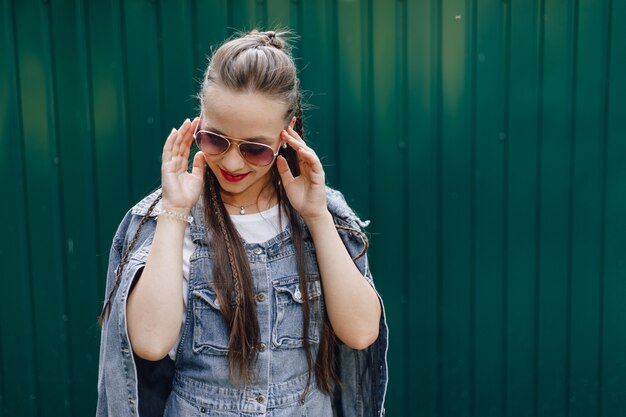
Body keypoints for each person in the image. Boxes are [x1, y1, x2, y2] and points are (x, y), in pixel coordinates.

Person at [96, 30, 388, 417]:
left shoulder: (320, 212)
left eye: (255, 148)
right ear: (198, 121)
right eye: (215, 140)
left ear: (288, 135)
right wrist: (175, 211)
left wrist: (317, 216)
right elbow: (149, 342)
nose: (232, 164)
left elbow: (362, 332)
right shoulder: (167, 216)